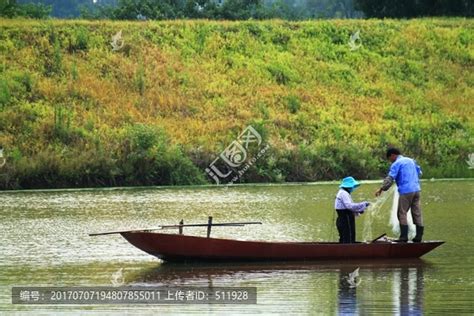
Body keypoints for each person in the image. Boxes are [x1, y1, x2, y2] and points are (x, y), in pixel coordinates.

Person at [375, 148, 423, 242]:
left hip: (406, 191)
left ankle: (403, 237)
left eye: (390, 159)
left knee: (401, 213)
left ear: (393, 155)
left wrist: (381, 189)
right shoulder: (411, 161)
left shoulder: (396, 163)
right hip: (417, 190)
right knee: (417, 213)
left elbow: (390, 178)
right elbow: (420, 173)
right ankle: (418, 237)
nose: (390, 161)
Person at [334, 176, 370, 243]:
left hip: (343, 219)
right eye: (352, 186)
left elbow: (347, 207)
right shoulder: (344, 193)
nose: (353, 188)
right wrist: (362, 204)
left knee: (344, 238)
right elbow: (349, 206)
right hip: (346, 220)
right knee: (348, 238)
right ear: (348, 186)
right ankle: (348, 252)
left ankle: (343, 250)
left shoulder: (342, 192)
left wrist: (359, 210)